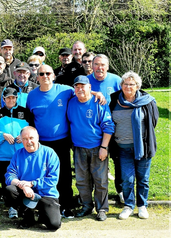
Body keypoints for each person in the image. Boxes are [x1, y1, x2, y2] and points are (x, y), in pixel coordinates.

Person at [26, 65, 106, 219]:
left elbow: (82, 92)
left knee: (64, 175)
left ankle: (66, 205)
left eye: (48, 73)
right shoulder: (32, 96)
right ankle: (43, 206)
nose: (45, 76)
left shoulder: (64, 90)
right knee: (42, 174)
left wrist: (97, 93)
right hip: (41, 142)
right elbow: (30, 118)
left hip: (61, 140)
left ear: (53, 75)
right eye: (41, 74)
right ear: (37, 77)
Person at [109, 71, 158, 220]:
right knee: (127, 179)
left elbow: (153, 122)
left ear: (137, 86)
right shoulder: (114, 100)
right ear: (121, 85)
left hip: (143, 148)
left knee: (143, 179)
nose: (128, 86)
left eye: (132, 84)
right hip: (122, 148)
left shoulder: (148, 101)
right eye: (125, 84)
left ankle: (142, 206)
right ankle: (128, 206)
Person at [67, 76, 115, 221]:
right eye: (77, 86)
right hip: (78, 148)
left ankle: (102, 209)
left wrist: (104, 147)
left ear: (89, 87)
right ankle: (87, 206)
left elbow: (108, 126)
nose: (80, 89)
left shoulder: (98, 103)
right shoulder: (71, 102)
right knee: (82, 180)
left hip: (97, 147)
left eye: (83, 86)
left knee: (100, 180)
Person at [0, 88, 34, 218]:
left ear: (16, 98)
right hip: (5, 156)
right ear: (3, 99)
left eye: (13, 97)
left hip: (23, 154)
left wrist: (23, 136)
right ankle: (12, 207)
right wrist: (2, 135)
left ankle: (26, 205)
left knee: (24, 180)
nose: (11, 100)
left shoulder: (25, 113)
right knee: (7, 182)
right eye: (8, 98)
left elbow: (32, 131)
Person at [5, 126, 61, 231]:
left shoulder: (50, 153)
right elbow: (9, 176)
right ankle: (28, 215)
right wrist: (23, 185)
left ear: (38, 138)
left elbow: (53, 179)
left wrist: (32, 184)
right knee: (10, 190)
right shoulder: (18, 154)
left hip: (46, 194)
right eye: (25, 139)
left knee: (54, 225)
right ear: (21, 140)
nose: (28, 141)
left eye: (31, 138)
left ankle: (43, 214)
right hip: (26, 193)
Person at [87, 54, 123, 201]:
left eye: (102, 65)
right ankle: (95, 193)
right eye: (96, 64)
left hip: (114, 127)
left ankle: (121, 191)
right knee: (94, 162)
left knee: (118, 159)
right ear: (92, 66)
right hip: (92, 129)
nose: (99, 68)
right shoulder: (87, 80)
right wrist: (94, 93)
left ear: (107, 66)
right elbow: (76, 93)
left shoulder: (116, 80)